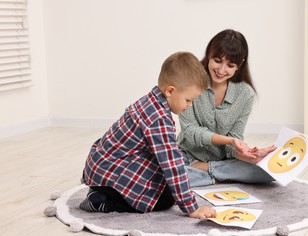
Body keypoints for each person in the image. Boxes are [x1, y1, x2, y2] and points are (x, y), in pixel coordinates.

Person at [79, 52, 216, 219]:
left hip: (101, 168)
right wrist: (190, 207)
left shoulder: (151, 101)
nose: (190, 105)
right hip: (109, 175)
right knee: (162, 201)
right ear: (170, 91)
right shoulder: (158, 119)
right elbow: (172, 165)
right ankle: (101, 201)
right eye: (188, 100)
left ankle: (101, 190)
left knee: (167, 190)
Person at [177, 29, 277, 187]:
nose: (222, 70)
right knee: (163, 172)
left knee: (267, 170)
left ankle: (203, 171)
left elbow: (232, 145)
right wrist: (230, 141)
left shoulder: (245, 94)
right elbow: (190, 131)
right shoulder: (190, 82)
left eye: (230, 65)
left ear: (240, 64)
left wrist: (248, 155)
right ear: (209, 53)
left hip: (223, 161)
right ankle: (218, 176)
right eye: (217, 60)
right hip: (187, 156)